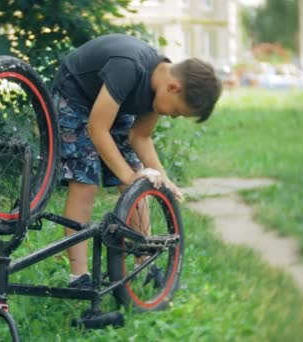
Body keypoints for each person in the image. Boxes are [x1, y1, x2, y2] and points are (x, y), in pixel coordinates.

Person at [51, 34, 222, 287]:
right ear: (173, 87)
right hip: (74, 96)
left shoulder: (159, 90)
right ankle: (79, 276)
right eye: (176, 112)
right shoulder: (128, 67)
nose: (173, 117)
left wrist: (161, 177)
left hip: (110, 104)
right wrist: (130, 177)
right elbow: (97, 129)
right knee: (85, 182)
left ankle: (145, 264)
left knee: (140, 185)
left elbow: (140, 136)